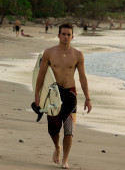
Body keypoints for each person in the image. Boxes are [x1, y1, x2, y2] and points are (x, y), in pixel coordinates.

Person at [34, 23, 92, 169]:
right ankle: (57, 147)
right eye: (63, 34)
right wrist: (37, 95)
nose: (66, 37)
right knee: (53, 129)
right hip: (53, 94)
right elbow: (40, 75)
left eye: (68, 34)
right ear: (58, 35)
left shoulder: (78, 55)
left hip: (70, 94)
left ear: (73, 37)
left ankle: (65, 159)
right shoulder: (49, 53)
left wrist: (87, 98)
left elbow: (82, 77)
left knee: (69, 130)